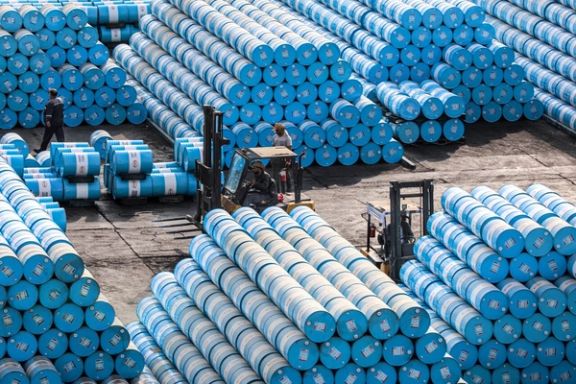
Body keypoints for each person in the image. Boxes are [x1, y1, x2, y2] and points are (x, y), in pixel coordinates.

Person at [34, 88, 65, 153]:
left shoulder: (50, 103)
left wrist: (48, 121)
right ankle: (63, 150)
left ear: (50, 95)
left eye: (49, 93)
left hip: (52, 123)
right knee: (60, 137)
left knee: (47, 137)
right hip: (59, 121)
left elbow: (49, 114)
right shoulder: (60, 100)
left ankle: (42, 149)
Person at [271, 123, 292, 192]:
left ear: (282, 130)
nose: (276, 132)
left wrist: (288, 161)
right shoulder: (275, 136)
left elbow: (289, 150)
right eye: (276, 131)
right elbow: (273, 147)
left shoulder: (287, 138)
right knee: (275, 175)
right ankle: (277, 190)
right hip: (276, 158)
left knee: (284, 174)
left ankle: (288, 189)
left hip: (284, 159)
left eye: (277, 131)